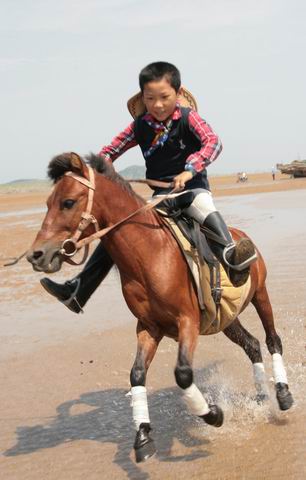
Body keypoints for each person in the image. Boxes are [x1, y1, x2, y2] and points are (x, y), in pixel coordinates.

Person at [41, 61, 257, 313]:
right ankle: (77, 290)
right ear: (143, 98)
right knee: (118, 233)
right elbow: (110, 151)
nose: (158, 104)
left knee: (206, 210)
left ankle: (234, 260)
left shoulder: (189, 118)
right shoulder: (140, 126)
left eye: (164, 97)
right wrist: (92, 173)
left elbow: (213, 142)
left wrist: (189, 170)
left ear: (177, 94)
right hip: (160, 199)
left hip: (192, 192)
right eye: (150, 98)